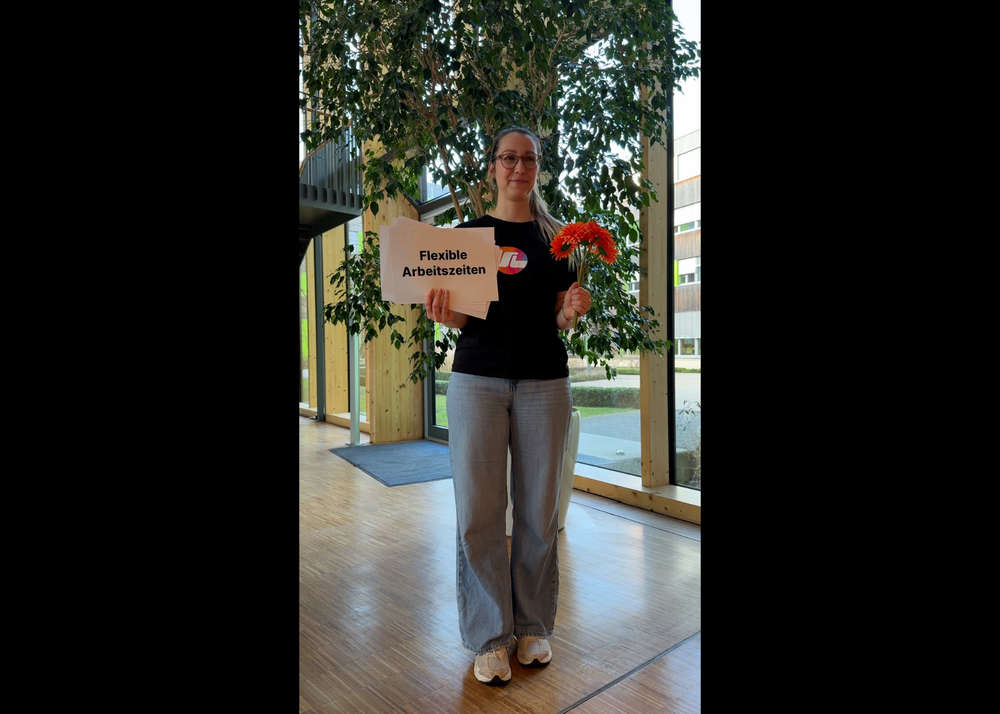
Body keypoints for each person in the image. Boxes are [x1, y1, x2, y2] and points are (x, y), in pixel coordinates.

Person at [424, 126, 592, 685]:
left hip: (545, 383)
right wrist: (447, 316)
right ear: (492, 167)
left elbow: (558, 318)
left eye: (529, 159)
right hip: (478, 381)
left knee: (539, 511)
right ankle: (489, 636)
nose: (519, 167)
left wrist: (570, 308)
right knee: (478, 512)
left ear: (538, 168)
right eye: (508, 158)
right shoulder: (468, 237)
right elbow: (463, 318)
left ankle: (532, 626)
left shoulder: (559, 240)